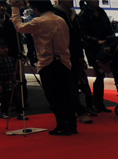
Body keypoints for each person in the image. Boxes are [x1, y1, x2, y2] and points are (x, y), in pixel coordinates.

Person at [11, 0, 76, 135]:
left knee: (54, 96)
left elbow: (19, 27)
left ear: (36, 8)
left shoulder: (39, 22)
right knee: (66, 95)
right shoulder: (61, 20)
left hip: (48, 63)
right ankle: (71, 124)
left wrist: (15, 7)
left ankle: (61, 125)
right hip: (64, 62)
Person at [53, 0, 93, 122]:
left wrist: (80, 56)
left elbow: (77, 37)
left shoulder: (73, 14)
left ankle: (76, 110)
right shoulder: (56, 14)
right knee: (67, 85)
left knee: (74, 83)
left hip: (74, 54)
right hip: (61, 54)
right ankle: (76, 111)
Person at [78, 0, 112, 112]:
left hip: (104, 46)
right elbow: (83, 34)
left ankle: (98, 102)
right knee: (99, 73)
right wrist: (97, 41)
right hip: (93, 48)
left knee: (101, 75)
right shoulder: (84, 14)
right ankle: (97, 102)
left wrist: (110, 39)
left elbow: (108, 27)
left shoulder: (101, 11)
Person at [0, 38, 24, 119]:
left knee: (17, 98)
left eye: (6, 48)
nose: (5, 50)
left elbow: (16, 70)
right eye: (2, 48)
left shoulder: (11, 59)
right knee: (5, 99)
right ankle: (4, 112)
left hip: (13, 82)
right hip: (4, 83)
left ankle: (19, 113)